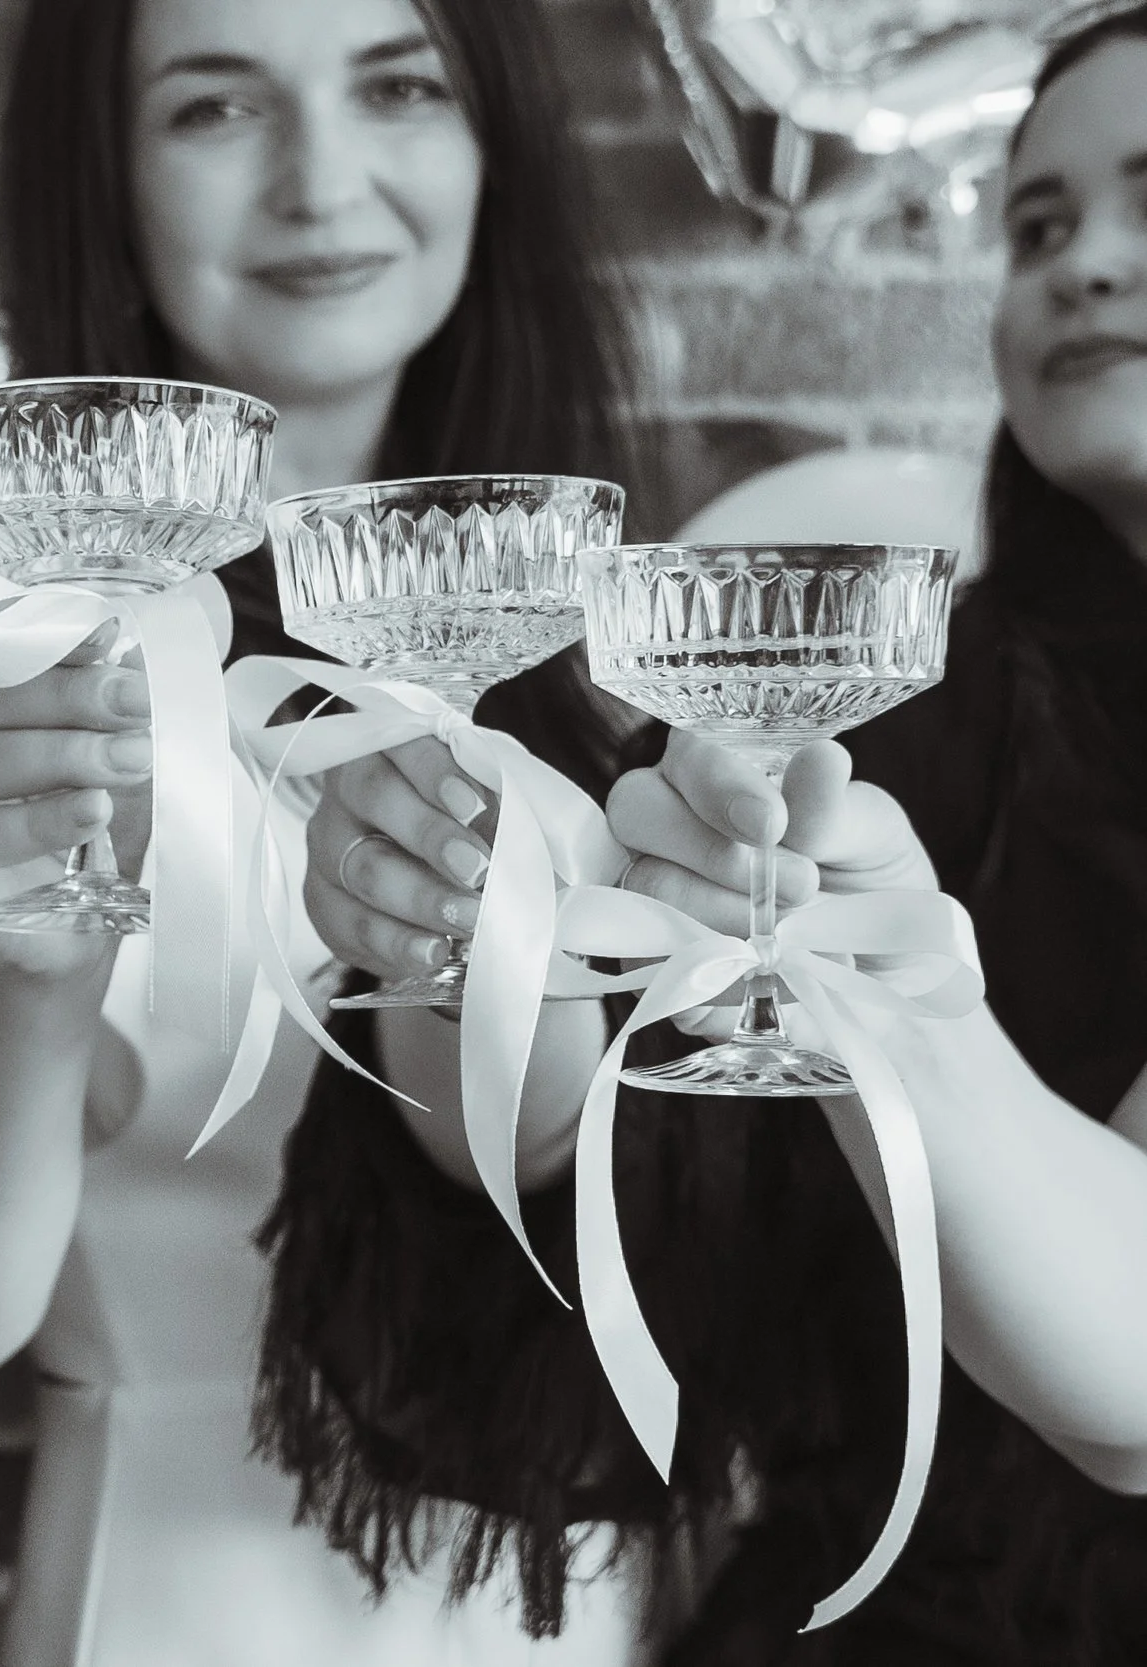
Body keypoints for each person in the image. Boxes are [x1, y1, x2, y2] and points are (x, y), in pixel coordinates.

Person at [251, 8, 1147, 1662]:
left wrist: (893, 1006)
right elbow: (621, 1194)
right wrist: (472, 945)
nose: (1090, 262)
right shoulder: (891, 726)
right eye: (1041, 223)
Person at [0, 0, 648, 1660]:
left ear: (494, 139)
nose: (322, 181)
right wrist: (20, 974)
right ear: (103, 174)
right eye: (213, 108)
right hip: (195, 1595)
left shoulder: (612, 604)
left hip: (599, 1597)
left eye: (397, 85)